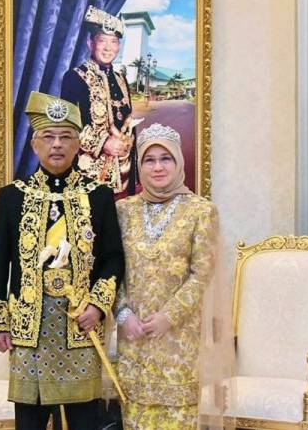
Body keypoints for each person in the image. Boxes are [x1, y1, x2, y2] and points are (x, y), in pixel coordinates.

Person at [0, 91, 125, 430]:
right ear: (35, 144)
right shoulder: (11, 196)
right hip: (28, 327)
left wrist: (97, 306)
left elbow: (112, 258)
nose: (57, 144)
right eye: (48, 137)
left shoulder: (99, 196)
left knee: (83, 420)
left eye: (66, 137)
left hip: (80, 324)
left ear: (78, 145)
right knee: (31, 421)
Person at [114, 123, 232, 429]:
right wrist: (123, 314)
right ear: (139, 166)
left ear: (178, 161)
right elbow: (112, 268)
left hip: (179, 340)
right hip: (134, 339)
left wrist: (169, 316)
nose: (157, 167)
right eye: (149, 160)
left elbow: (202, 273)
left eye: (165, 158)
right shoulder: (123, 211)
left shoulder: (201, 211)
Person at [61, 5, 136, 197]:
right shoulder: (75, 77)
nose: (108, 48)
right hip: (89, 174)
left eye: (114, 42)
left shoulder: (121, 79)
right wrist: (103, 143)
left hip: (123, 171)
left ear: (119, 46)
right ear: (90, 43)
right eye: (102, 40)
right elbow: (67, 124)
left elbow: (128, 122)